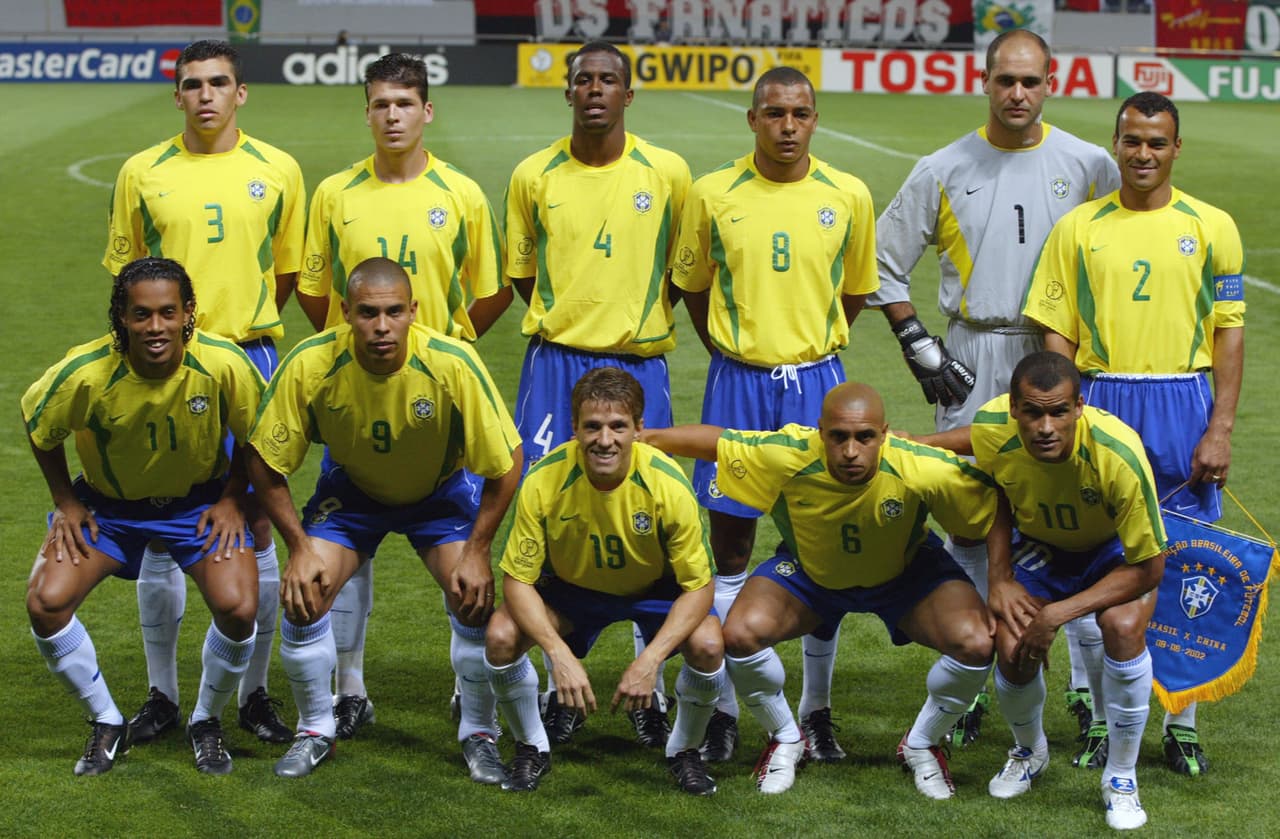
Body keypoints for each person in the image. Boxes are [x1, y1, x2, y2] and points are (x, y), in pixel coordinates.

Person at [870, 27, 1120, 749]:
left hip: (1058, 351)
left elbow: (1121, 247)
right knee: (973, 517)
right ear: (984, 82)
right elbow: (880, 260)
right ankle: (979, 670)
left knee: (1078, 518)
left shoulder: (1090, 165)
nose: (1017, 93)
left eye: (1030, 81)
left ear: (1051, 84)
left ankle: (1086, 694)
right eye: (1005, 80)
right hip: (973, 349)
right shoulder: (944, 167)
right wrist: (916, 341)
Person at [1023, 91, 1245, 779]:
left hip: (1182, 399)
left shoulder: (1212, 226)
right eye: (1131, 140)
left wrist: (1220, 427)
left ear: (1176, 148)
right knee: (1096, 558)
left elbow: (1229, 333)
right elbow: (1055, 331)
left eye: (1156, 142)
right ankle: (1095, 714)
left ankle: (1183, 721)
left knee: (1182, 560)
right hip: (1102, 396)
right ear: (1115, 144)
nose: (1142, 153)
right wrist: (1069, 410)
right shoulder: (1079, 228)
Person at [295, 51, 508, 742]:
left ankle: (466, 686)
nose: (393, 116)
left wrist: (450, 349)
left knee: (460, 554)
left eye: (404, 103)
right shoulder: (335, 193)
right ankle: (349, 686)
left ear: (426, 111)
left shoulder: (462, 194)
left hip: (436, 406)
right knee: (348, 537)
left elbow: (492, 288)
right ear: (367, 112)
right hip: (360, 397)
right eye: (381, 104)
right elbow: (315, 289)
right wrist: (349, 355)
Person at [643, 382, 997, 796]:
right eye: (838, 437)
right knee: (739, 634)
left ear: (884, 434)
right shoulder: (790, 454)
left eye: (865, 437)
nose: (851, 451)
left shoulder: (921, 465)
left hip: (904, 576)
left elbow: (997, 507)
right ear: (820, 432)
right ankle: (786, 738)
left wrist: (1006, 582)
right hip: (812, 577)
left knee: (976, 643)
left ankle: (921, 743)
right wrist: (645, 438)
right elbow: (719, 443)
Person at [245, 257, 523, 780]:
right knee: (305, 596)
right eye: (368, 313)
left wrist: (478, 550)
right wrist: (299, 548)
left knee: (473, 599)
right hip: (354, 494)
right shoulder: (311, 363)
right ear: (345, 312)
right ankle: (316, 730)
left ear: (413, 311)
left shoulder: (451, 363)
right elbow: (263, 460)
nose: (381, 326)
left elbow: (507, 463)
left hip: (439, 495)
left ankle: (479, 733)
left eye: (394, 312)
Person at [669, 66, 877, 762]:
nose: (788, 126)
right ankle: (725, 710)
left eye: (800, 113)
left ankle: (816, 710)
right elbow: (693, 287)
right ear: (752, 119)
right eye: (775, 113)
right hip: (738, 384)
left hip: (818, 385)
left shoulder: (848, 194)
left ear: (815, 119)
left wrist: (806, 347)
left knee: (824, 549)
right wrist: (738, 351)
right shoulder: (712, 192)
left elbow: (853, 292)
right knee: (730, 546)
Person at [103, 39, 305, 747]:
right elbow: (128, 281)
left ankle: (253, 694)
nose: (206, 95)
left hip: (250, 357)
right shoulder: (141, 173)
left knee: (257, 519)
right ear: (178, 96)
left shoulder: (278, 169)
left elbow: (286, 272)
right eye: (193, 84)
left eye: (219, 82)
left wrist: (238, 335)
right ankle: (162, 694)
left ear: (240, 92)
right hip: (164, 365)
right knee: (163, 523)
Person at [503, 40, 692, 748]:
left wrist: (629, 322)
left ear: (627, 95)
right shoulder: (533, 174)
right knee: (547, 509)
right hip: (555, 364)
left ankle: (651, 687)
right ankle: (558, 680)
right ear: (568, 92)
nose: (594, 90)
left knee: (652, 515)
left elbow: (680, 273)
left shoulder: (667, 173)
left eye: (608, 80)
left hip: (638, 366)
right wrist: (575, 322)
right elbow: (524, 275)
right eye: (583, 79)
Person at [23, 257, 264, 776]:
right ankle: (106, 721)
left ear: (188, 313)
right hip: (110, 509)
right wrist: (67, 502)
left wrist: (232, 498)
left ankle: (206, 720)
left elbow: (257, 435)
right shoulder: (85, 372)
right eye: (141, 315)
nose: (156, 327)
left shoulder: (223, 363)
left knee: (239, 607)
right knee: (46, 603)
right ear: (122, 317)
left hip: (196, 506)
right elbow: (39, 424)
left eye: (167, 313)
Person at [918, 351, 1166, 830]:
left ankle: (1121, 776)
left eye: (1058, 412)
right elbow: (997, 490)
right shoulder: (994, 428)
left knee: (1122, 625)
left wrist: (1056, 615)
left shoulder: (1118, 454)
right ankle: (1030, 751)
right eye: (1032, 412)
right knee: (1011, 646)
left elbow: (1150, 568)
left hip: (1113, 553)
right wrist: (1000, 578)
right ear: (1014, 408)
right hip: (1043, 548)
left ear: (1079, 407)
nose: (1045, 427)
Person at [484, 367, 726, 795]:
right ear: (574, 428)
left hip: (653, 590)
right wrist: (557, 653)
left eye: (618, 426)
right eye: (592, 426)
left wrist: (650, 661)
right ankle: (531, 747)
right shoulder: (543, 479)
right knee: (501, 636)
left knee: (708, 644)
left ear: (639, 429)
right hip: (571, 591)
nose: (605, 439)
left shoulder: (668, 484)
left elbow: (698, 586)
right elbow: (517, 580)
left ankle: (684, 750)